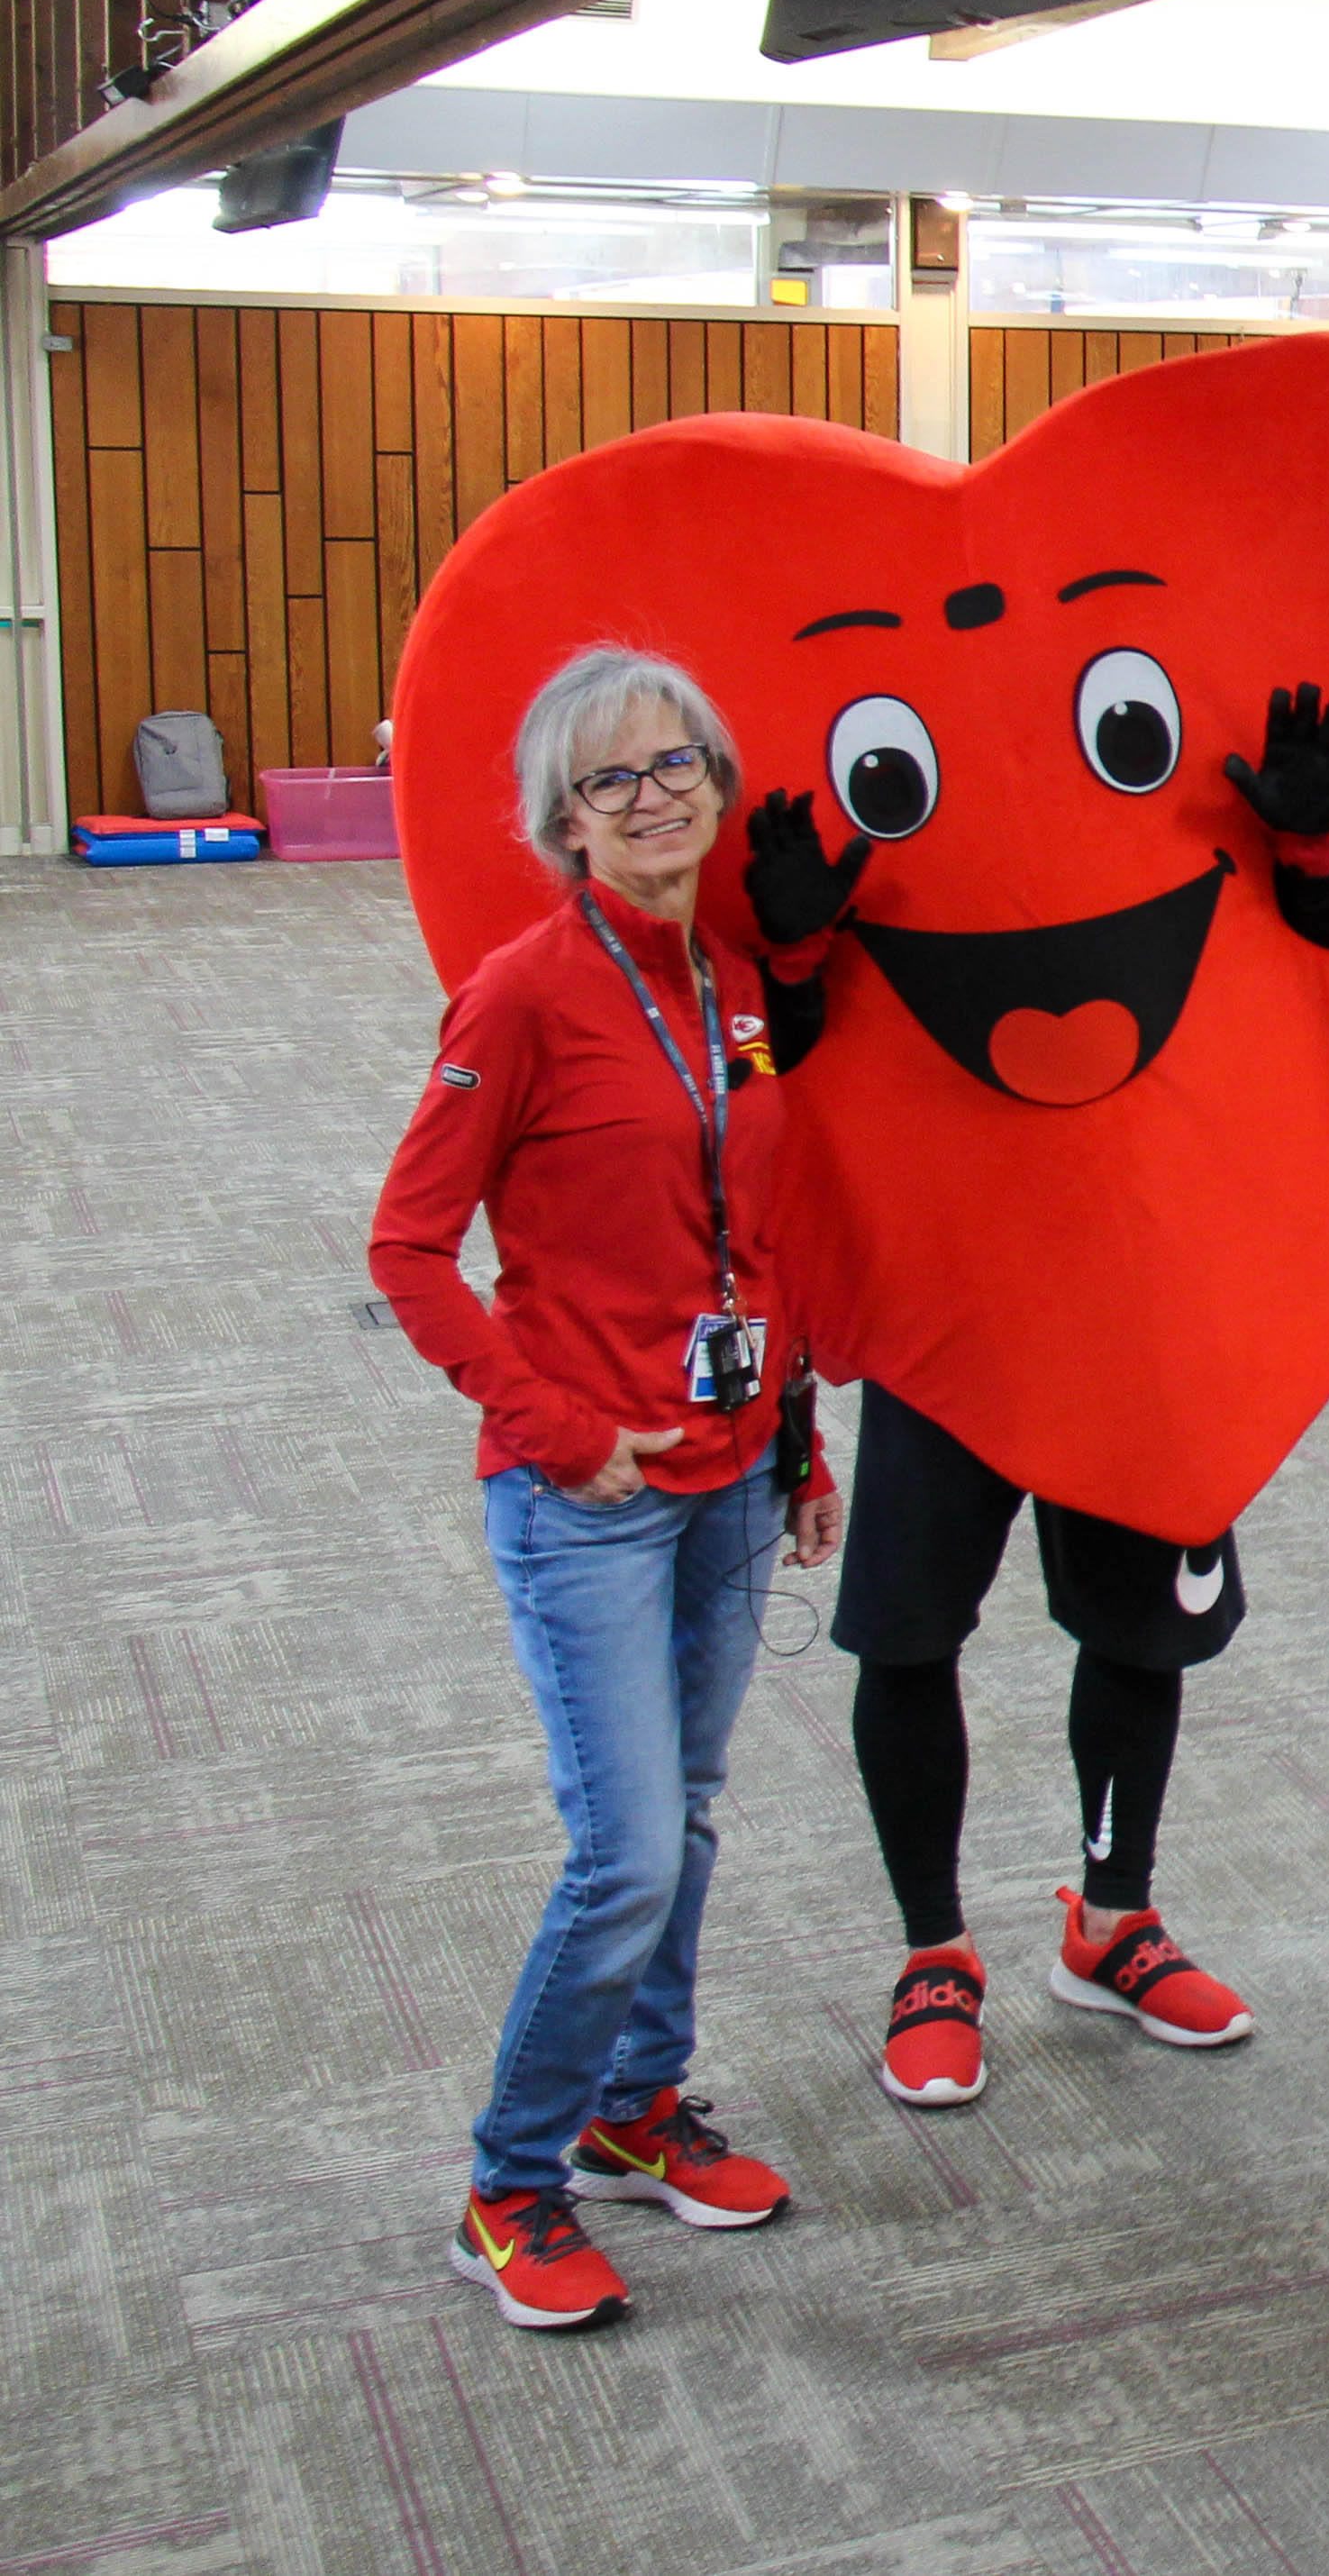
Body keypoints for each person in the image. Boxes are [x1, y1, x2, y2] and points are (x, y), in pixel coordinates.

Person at [765, 685, 1329, 2109]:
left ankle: (1113, 1915)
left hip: (1144, 1274)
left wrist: (1306, 851)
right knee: (907, 1628)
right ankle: (933, 1951)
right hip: (946, 1284)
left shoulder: (1190, 788)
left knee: (1142, 1624)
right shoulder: (902, 822)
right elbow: (765, 1065)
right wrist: (797, 956)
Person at [369, 645, 839, 2332]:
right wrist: (561, 1426)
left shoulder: (730, 976)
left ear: (717, 781)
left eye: (676, 767)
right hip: (588, 1494)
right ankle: (510, 2182)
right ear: (561, 821)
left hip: (725, 1478)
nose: (652, 800)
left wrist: (792, 1433)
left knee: (690, 1817)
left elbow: (757, 1232)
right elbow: (407, 1250)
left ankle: (642, 2104)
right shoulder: (521, 992)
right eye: (610, 781)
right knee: (624, 1853)